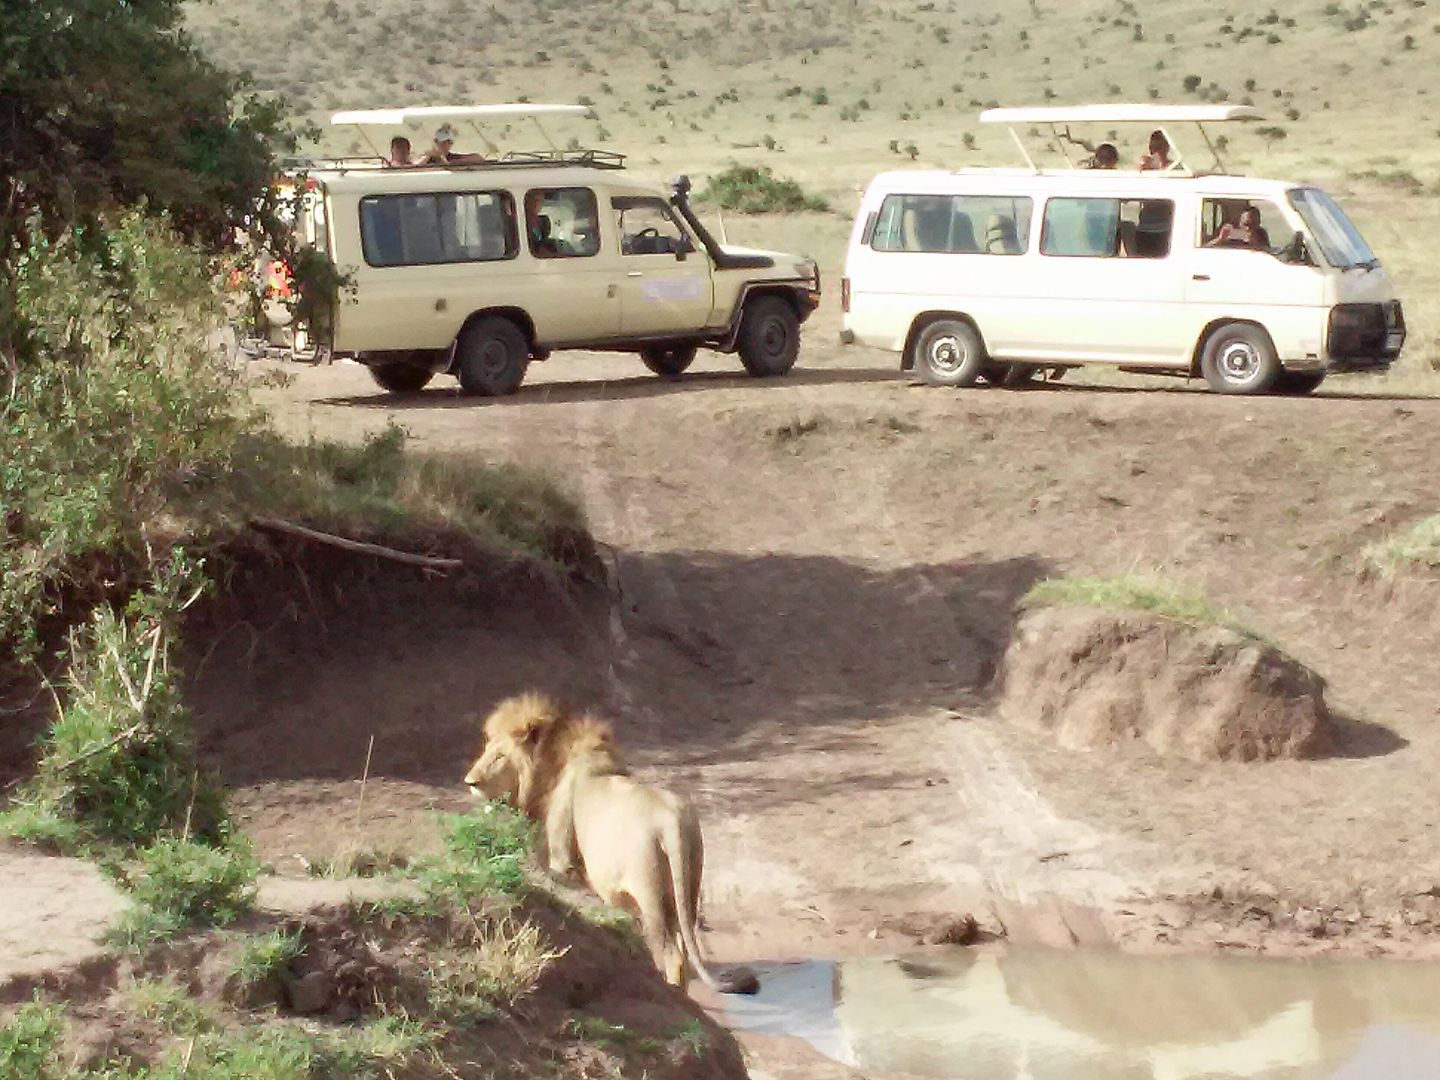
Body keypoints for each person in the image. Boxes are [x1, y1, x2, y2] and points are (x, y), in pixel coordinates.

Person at [412, 124, 487, 166]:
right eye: (440, 142)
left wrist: (451, 162)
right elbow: (415, 166)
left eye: (447, 142)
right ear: (435, 142)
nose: (443, 145)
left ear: (451, 143)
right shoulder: (427, 158)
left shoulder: (452, 158)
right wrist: (428, 156)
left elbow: (478, 158)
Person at [1206, 205, 1271, 251]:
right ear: (1240, 222)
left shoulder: (1261, 233)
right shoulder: (1231, 235)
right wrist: (1220, 239)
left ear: (1259, 222)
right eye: (1246, 224)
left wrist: (1254, 243)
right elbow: (1203, 250)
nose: (1248, 228)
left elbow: (1268, 253)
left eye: (1253, 224)